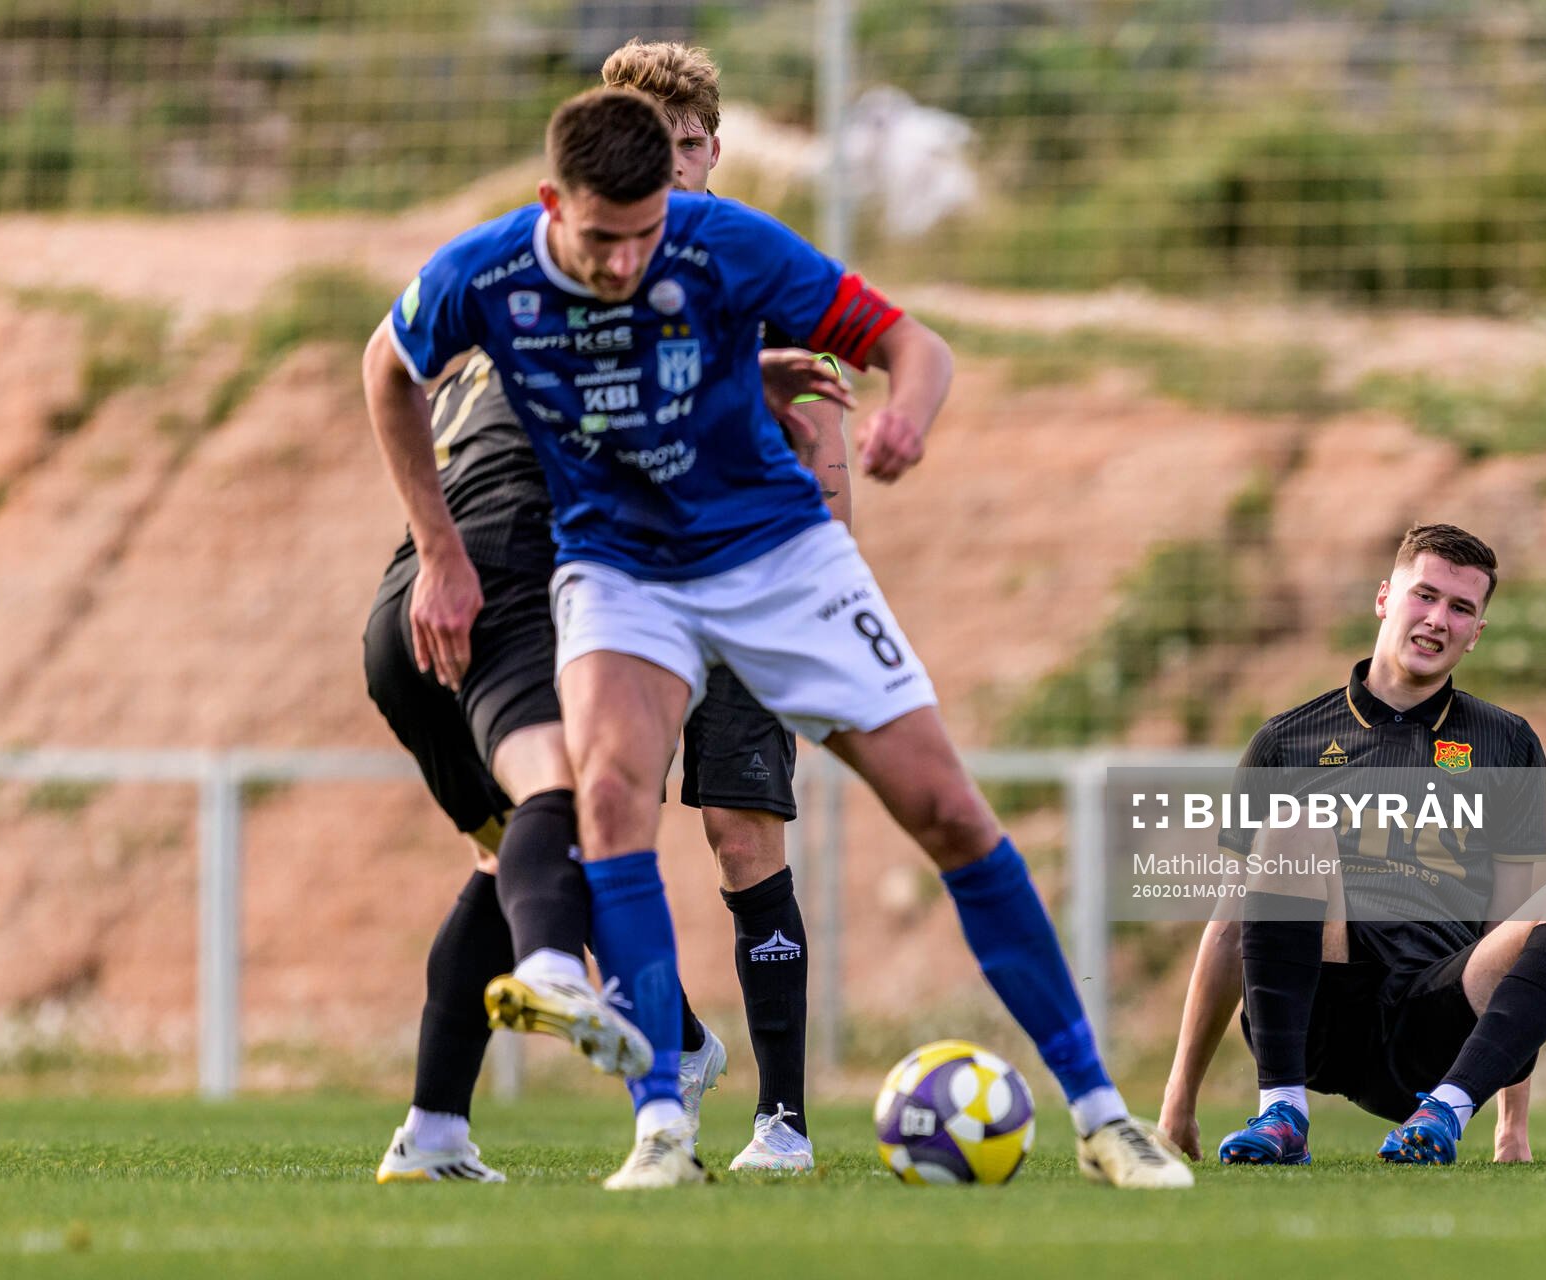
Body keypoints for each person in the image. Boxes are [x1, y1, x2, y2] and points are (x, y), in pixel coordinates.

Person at [364, 87, 1192, 1190]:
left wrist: (909, 413)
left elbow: (913, 342)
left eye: (646, 233)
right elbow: (386, 366)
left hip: (778, 557)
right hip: (619, 570)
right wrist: (441, 547)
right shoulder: (486, 272)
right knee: (605, 794)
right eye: (602, 240)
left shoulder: (723, 243)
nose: (625, 263)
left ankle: (1102, 1113)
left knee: (945, 806)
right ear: (552, 203)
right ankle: (661, 1127)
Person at [366, 44, 849, 1182]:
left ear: (712, 149)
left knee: (646, 836)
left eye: (686, 149)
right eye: (648, 154)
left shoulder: (727, 261)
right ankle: (653, 1073)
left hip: (704, 579)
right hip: (572, 578)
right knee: (574, 812)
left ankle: (753, 1108)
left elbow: (816, 423)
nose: (666, 180)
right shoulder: (582, 269)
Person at [1156, 523, 1546, 1167]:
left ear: (1478, 631)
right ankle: (1282, 1113)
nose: (1438, 619)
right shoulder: (1284, 742)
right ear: (1385, 598)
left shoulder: (1507, 744)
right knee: (1294, 822)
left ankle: (1445, 1116)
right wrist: (1178, 1102)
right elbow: (1229, 930)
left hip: (1435, 1025)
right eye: (1424, 595)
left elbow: (1507, 928)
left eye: (1461, 608)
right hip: (1318, 1007)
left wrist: (1511, 1126)